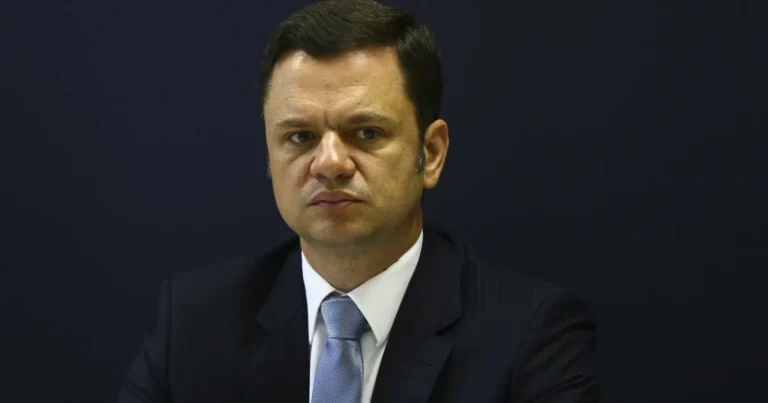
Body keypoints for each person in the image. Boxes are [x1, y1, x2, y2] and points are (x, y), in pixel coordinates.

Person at [118, 0, 598, 402]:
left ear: (431, 153)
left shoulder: (530, 336)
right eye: (300, 136)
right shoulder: (195, 323)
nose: (329, 164)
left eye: (366, 133)